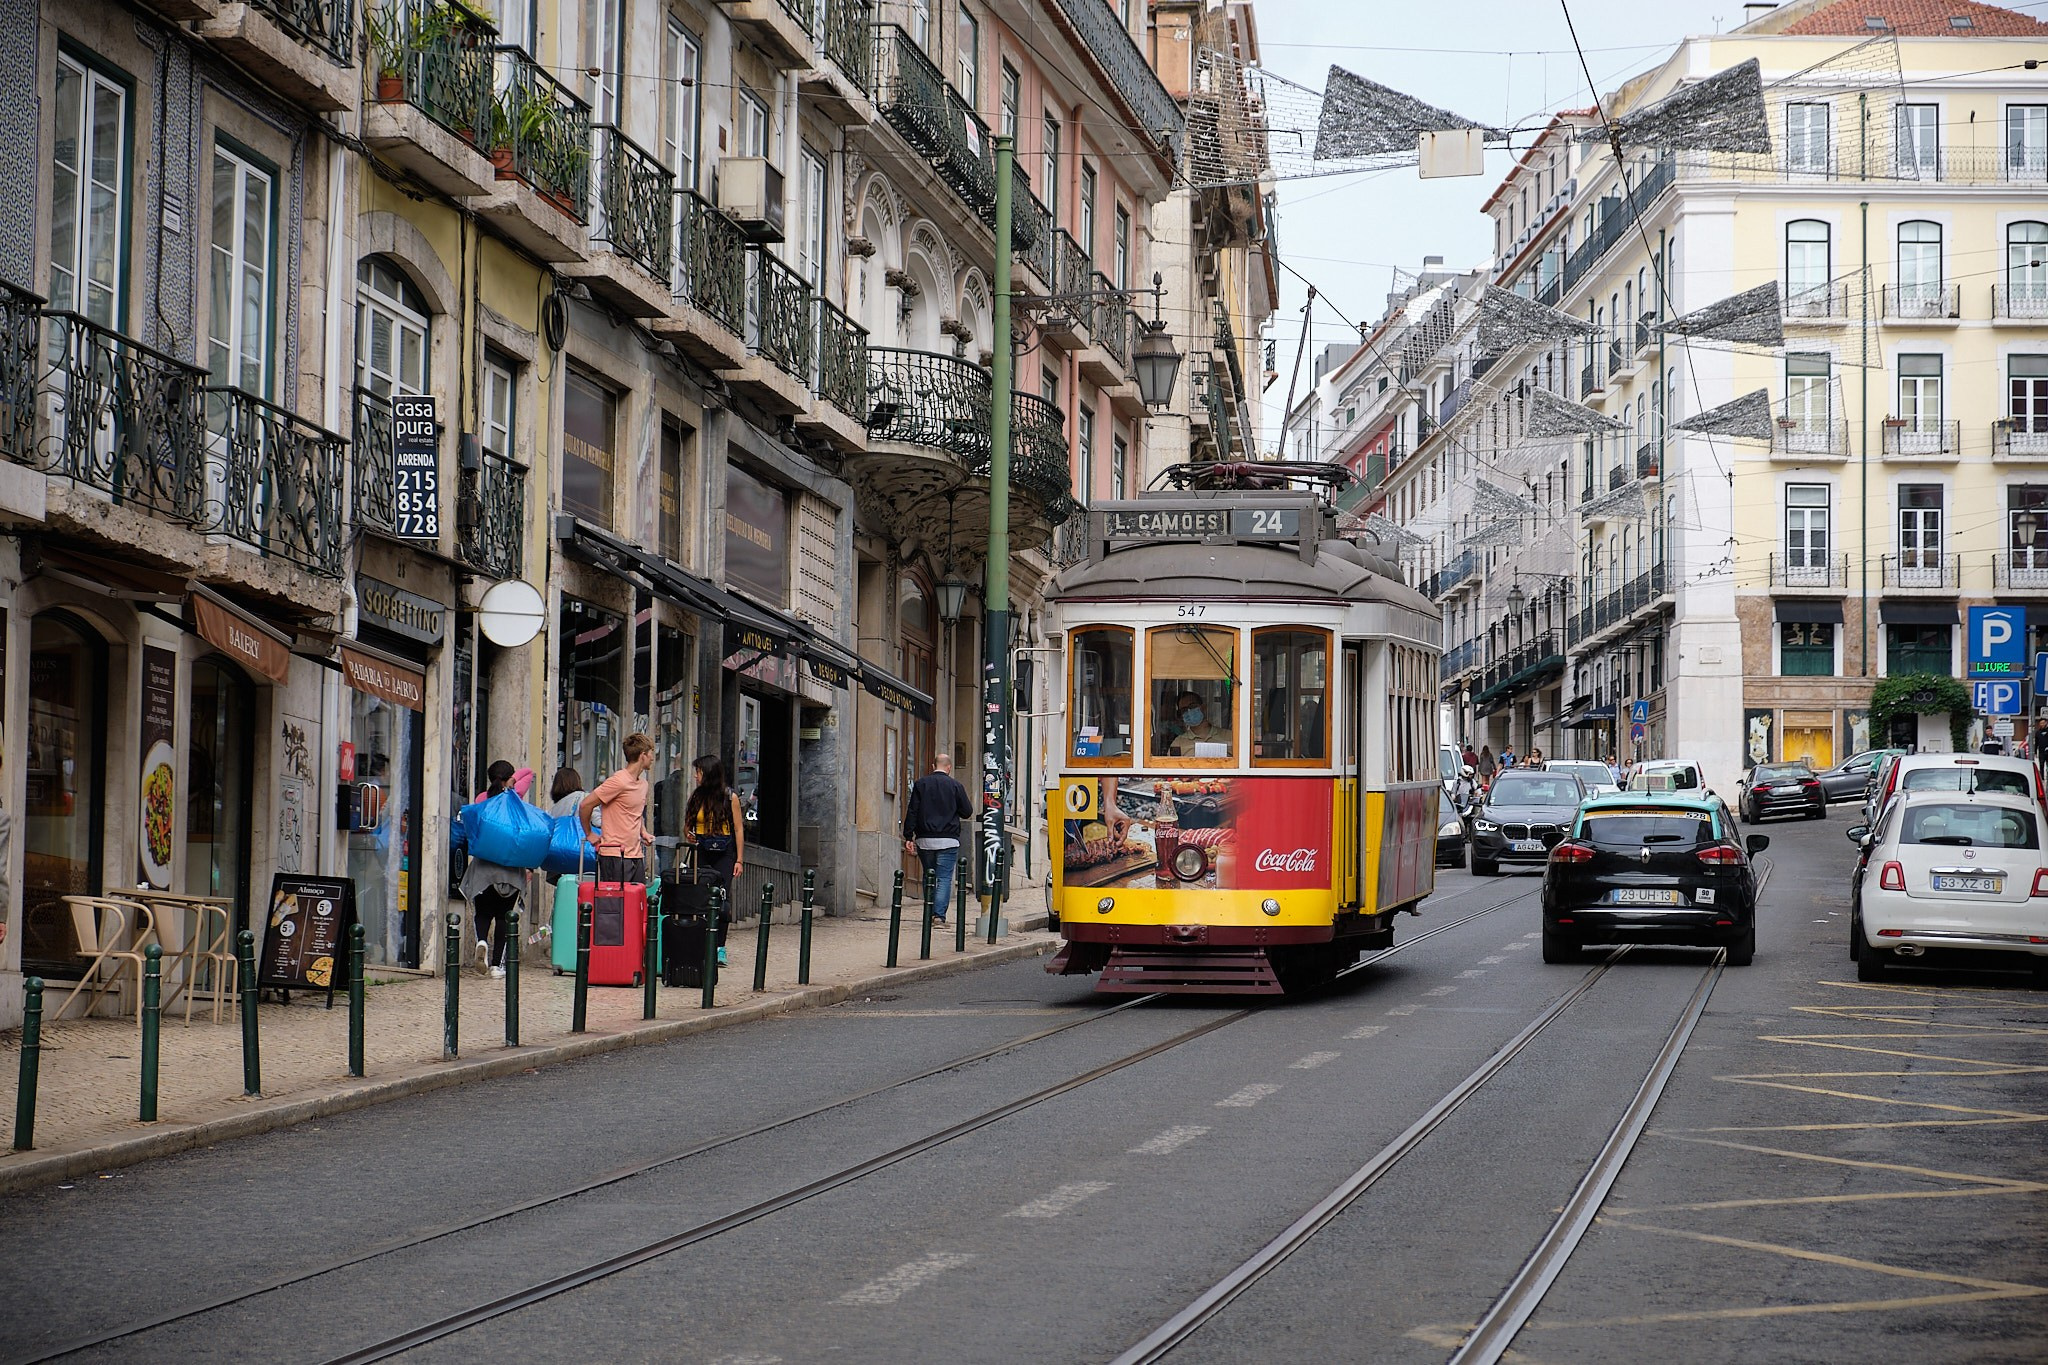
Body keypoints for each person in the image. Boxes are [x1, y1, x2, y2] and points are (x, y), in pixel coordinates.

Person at [459, 760, 525, 977]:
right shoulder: (515, 799)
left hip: (483, 870)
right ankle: (497, 965)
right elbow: (529, 772)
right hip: (510, 870)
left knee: (484, 913)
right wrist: (513, 783)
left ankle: (481, 941)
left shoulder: (481, 799)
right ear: (510, 778)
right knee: (504, 917)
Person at [684, 754, 745, 966]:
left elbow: (738, 829)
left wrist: (739, 859)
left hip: (724, 853)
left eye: (698, 772)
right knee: (699, 896)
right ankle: (701, 943)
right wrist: (689, 834)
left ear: (708, 774)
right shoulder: (696, 797)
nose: (695, 776)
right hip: (702, 850)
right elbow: (688, 824)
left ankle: (720, 946)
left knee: (722, 899)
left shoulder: (730, 797)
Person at [903, 752, 975, 926]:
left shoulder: (921, 784)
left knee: (929, 876)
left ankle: (929, 912)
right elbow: (967, 811)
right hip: (948, 840)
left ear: (933, 766)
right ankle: (938, 916)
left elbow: (912, 811)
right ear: (949, 768)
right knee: (943, 879)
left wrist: (908, 836)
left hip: (925, 840)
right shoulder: (956, 786)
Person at [581, 733, 656, 885]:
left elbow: (636, 812)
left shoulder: (643, 784)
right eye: (651, 754)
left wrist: (643, 832)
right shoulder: (618, 781)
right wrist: (589, 833)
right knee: (616, 900)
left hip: (636, 855)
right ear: (643, 755)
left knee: (638, 899)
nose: (652, 758)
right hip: (614, 855)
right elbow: (585, 805)